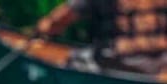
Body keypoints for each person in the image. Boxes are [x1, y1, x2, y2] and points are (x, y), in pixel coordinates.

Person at [36, 0, 167, 75]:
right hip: (161, 64)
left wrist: (41, 30)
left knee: (74, 59)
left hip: (119, 62)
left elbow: (56, 22)